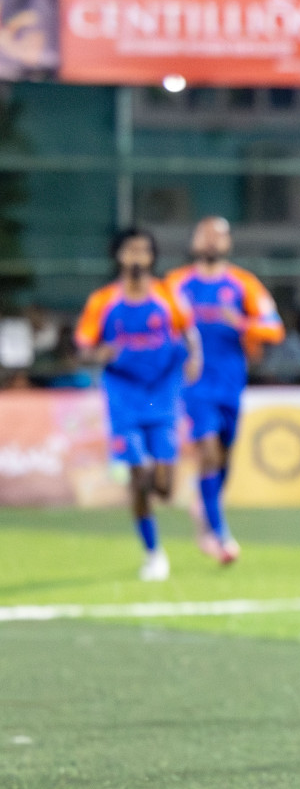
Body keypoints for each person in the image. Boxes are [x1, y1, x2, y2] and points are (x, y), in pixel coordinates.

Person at [74, 228, 201, 581]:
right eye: (130, 250)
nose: (137, 257)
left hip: (162, 392)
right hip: (124, 396)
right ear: (118, 255)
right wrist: (97, 353)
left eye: (144, 251)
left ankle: (155, 487)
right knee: (139, 476)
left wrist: (195, 358)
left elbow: (189, 333)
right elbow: (83, 346)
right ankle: (153, 552)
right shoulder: (102, 300)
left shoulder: (168, 295)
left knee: (164, 485)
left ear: (152, 257)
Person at [165, 217, 283, 565]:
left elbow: (274, 328)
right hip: (194, 383)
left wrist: (244, 324)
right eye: (207, 235)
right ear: (195, 240)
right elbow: (158, 324)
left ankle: (205, 507)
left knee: (224, 454)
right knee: (208, 450)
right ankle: (220, 535)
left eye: (221, 236)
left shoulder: (244, 285)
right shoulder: (176, 284)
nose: (214, 241)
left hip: (231, 382)